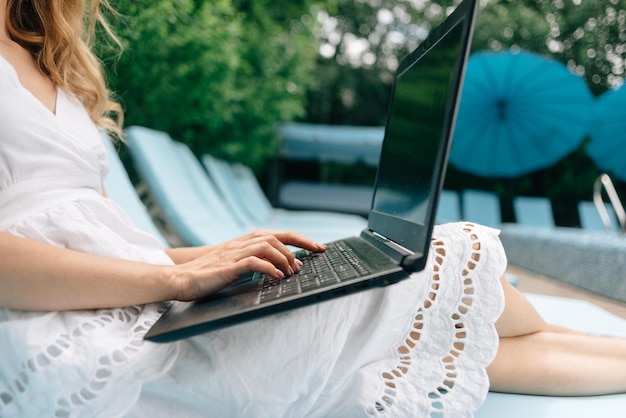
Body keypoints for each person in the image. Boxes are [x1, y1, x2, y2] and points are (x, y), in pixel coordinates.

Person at [1, 1, 625, 416]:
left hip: (141, 300)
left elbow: (108, 241)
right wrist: (177, 278)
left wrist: (220, 256)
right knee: (442, 259)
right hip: (77, 334)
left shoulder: (41, 50)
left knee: (423, 286)